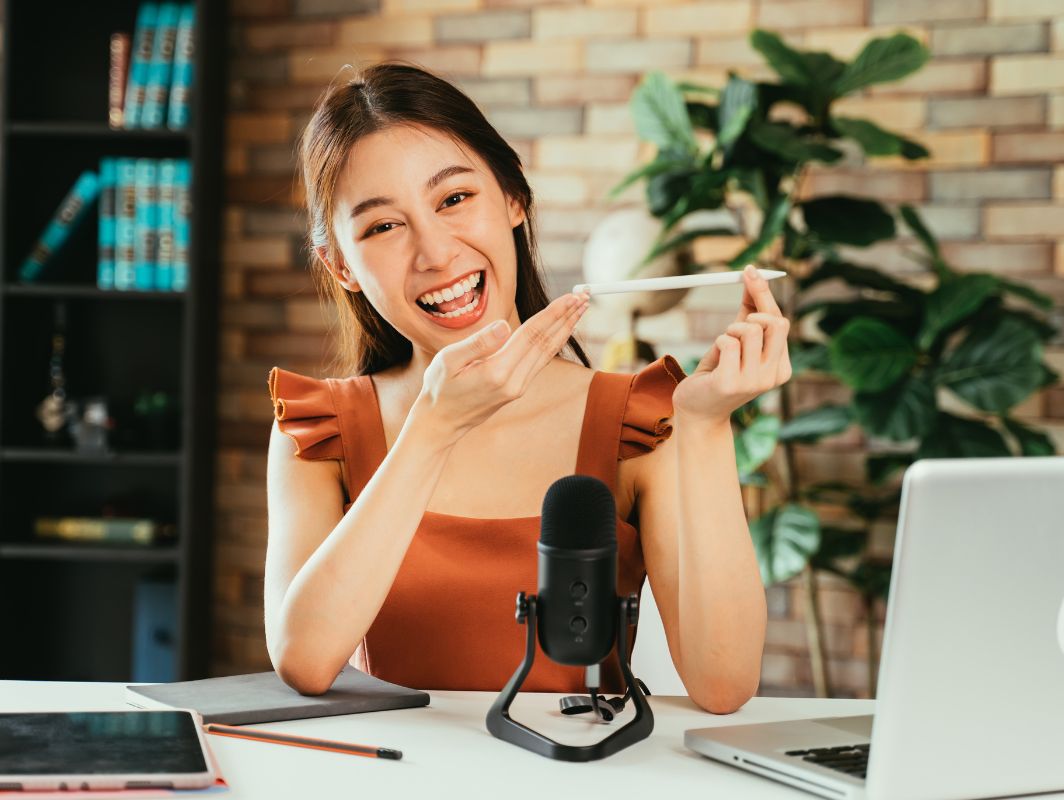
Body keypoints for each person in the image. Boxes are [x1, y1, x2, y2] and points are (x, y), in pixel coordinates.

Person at [264, 62, 790, 715]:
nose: (435, 253)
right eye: (382, 227)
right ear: (340, 265)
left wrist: (707, 426)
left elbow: (725, 682)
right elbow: (304, 662)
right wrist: (433, 428)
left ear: (514, 198)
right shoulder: (321, 430)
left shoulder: (640, 418)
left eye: (454, 199)